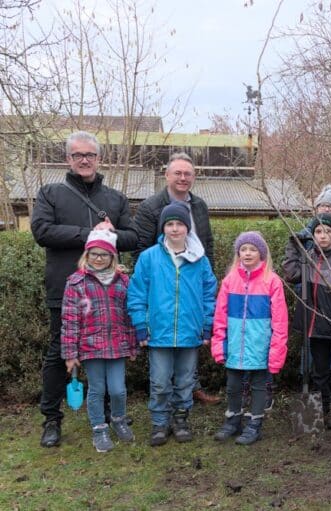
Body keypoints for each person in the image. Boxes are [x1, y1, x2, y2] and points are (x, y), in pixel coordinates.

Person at [31, 130, 137, 448]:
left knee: (106, 353)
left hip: (107, 293)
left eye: (90, 154)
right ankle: (51, 418)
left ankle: (107, 414)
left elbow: (133, 238)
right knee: (58, 353)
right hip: (67, 288)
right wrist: (89, 234)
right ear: (68, 159)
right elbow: (42, 230)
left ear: (98, 158)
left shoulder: (115, 199)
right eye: (78, 155)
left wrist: (113, 232)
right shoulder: (50, 193)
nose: (84, 160)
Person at [132, 151, 220, 405]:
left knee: (189, 345)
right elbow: (140, 249)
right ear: (167, 175)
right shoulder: (151, 206)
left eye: (188, 174)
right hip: (162, 285)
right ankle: (165, 400)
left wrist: (207, 276)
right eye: (178, 173)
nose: (183, 178)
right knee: (163, 356)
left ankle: (191, 389)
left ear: (194, 177)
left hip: (192, 279)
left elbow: (207, 244)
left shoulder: (200, 205)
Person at [127, 202, 217, 446]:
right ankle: (159, 421)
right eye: (170, 224)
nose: (175, 229)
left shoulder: (200, 260)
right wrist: (141, 325)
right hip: (159, 331)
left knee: (186, 379)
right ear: (163, 228)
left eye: (179, 224)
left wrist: (207, 325)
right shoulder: (149, 258)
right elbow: (137, 294)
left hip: (190, 331)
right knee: (159, 380)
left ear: (187, 228)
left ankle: (180, 418)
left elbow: (209, 294)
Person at [60, 230, 137, 452]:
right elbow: (69, 320)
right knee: (97, 389)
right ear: (87, 255)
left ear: (113, 257)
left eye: (104, 254)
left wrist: (132, 345)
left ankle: (119, 419)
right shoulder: (76, 283)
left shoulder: (123, 282)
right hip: (90, 347)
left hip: (117, 346)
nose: (99, 258)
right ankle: (99, 428)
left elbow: (129, 316)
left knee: (118, 390)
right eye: (94, 254)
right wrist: (70, 354)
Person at [211, 232, 288, 444]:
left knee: (259, 385)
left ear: (261, 254)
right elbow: (220, 316)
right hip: (235, 343)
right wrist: (220, 344)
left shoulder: (272, 281)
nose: (247, 253)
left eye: (252, 249)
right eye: (243, 249)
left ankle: (255, 424)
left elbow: (280, 321)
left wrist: (276, 351)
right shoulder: (229, 281)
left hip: (260, 345)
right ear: (238, 253)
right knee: (233, 385)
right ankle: (233, 420)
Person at [283, 213, 331, 428]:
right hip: (314, 325)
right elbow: (290, 273)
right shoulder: (308, 259)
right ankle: (322, 406)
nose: (323, 236)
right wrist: (293, 246)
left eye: (328, 231)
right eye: (318, 232)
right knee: (320, 371)